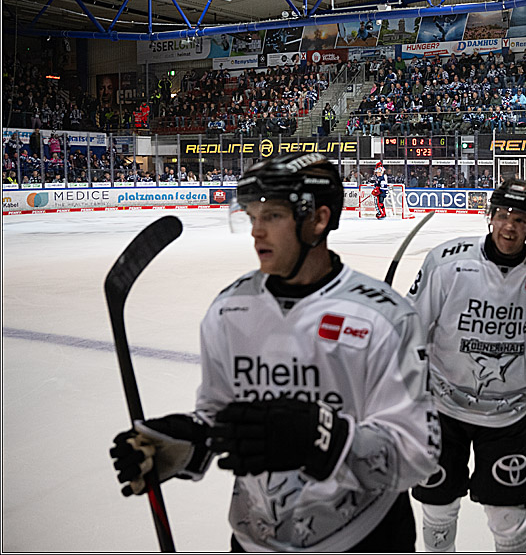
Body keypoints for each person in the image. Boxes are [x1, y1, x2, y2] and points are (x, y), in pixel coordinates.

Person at [108, 152, 440, 552]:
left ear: (318, 219)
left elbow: (418, 451)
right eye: (252, 217)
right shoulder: (230, 309)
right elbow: (221, 415)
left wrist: (321, 438)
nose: (256, 232)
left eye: (272, 216)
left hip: (362, 535)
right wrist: (189, 440)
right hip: (254, 539)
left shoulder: (385, 316)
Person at [406, 178, 526, 552]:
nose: (511, 226)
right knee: (438, 507)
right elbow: (413, 327)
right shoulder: (448, 262)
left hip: (505, 418)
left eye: (522, 219)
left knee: (508, 519)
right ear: (489, 216)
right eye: (504, 215)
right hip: (443, 409)